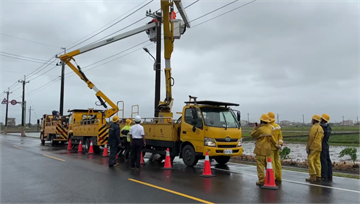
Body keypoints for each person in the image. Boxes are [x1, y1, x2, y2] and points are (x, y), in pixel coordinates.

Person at [251, 113, 275, 186]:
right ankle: (271, 178)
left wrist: (255, 128)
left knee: (260, 166)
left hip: (260, 149)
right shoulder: (270, 128)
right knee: (269, 165)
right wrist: (277, 145)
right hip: (268, 149)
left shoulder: (260, 129)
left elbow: (253, 135)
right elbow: (272, 139)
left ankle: (262, 180)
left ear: (261, 121)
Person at [306, 114, 324, 182]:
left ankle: (313, 176)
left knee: (310, 160)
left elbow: (311, 138)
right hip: (319, 146)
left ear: (314, 120)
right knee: (317, 161)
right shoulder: (320, 128)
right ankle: (318, 175)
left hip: (313, 146)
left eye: (312, 119)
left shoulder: (314, 127)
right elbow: (322, 137)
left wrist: (308, 147)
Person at [268, 111, 283, 182]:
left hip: (271, 147)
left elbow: (271, 137)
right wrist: (279, 144)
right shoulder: (278, 126)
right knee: (277, 162)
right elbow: (280, 136)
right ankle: (279, 176)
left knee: (271, 162)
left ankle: (272, 177)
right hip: (277, 147)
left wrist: (276, 144)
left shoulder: (269, 127)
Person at [320, 113, 333, 181]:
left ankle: (324, 175)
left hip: (322, 144)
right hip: (326, 144)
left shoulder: (323, 128)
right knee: (328, 160)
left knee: (323, 160)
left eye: (321, 119)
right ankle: (329, 175)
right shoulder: (329, 127)